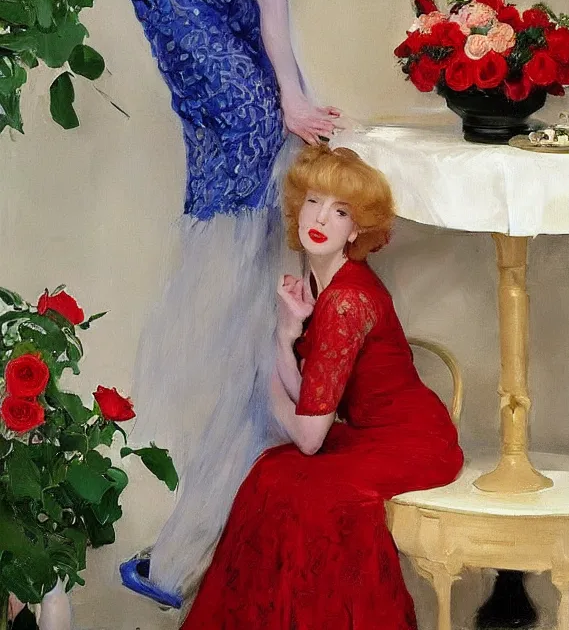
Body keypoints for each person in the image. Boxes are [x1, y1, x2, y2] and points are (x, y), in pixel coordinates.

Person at [120, 0, 392, 605]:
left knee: (284, 122)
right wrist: (285, 94)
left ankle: (257, 317)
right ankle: (227, 266)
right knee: (252, 115)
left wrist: (300, 101)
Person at [181, 145, 464, 628]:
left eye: (340, 212)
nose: (320, 219)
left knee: (311, 496)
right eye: (313, 201)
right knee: (271, 477)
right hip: (368, 434)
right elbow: (315, 398)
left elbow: (310, 435)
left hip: (412, 440)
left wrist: (269, 383)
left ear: (356, 230)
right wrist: (288, 334)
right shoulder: (322, 287)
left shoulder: (346, 300)